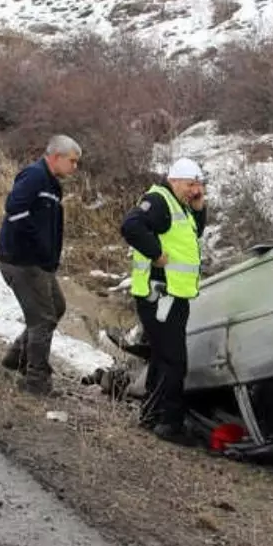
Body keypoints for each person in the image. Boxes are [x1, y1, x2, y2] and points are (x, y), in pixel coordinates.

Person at [119, 157, 208, 446]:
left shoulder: (179, 204)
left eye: (199, 185)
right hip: (160, 295)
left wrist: (198, 208)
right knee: (174, 360)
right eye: (191, 185)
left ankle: (151, 415)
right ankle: (169, 423)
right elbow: (131, 226)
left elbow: (191, 236)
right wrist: (155, 252)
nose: (195, 190)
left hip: (174, 294)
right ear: (175, 180)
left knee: (161, 357)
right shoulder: (159, 200)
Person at [0, 135, 81, 395]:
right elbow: (15, 209)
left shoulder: (53, 185)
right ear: (56, 156)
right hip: (23, 261)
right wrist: (37, 246)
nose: (75, 167)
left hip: (40, 263)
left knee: (56, 307)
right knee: (43, 319)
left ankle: (16, 357)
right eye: (72, 161)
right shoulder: (34, 176)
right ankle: (36, 380)